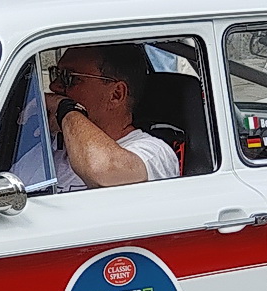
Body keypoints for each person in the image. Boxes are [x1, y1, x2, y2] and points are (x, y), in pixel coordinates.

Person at [47, 44, 179, 190]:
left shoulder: (153, 153)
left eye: (69, 78)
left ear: (116, 95)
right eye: (56, 74)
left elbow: (103, 173)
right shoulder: (50, 147)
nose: (54, 86)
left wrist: (66, 109)